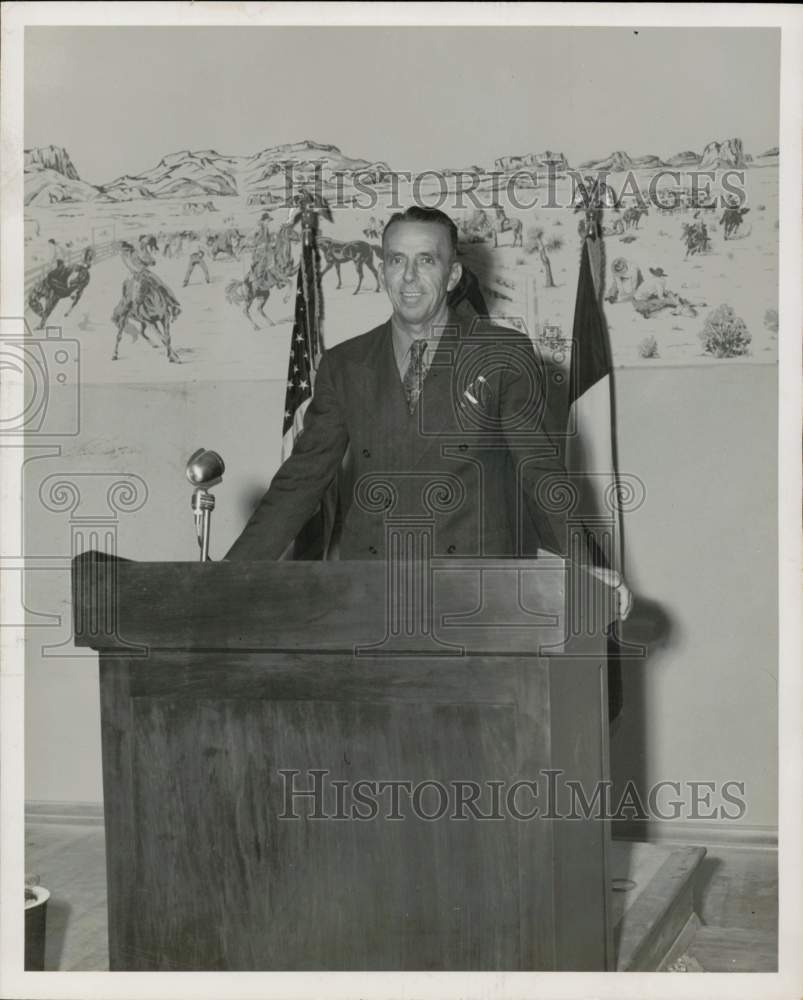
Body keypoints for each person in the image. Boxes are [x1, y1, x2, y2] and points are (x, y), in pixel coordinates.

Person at [225, 206, 631, 620]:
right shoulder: (344, 364)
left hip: (478, 596)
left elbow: (539, 472)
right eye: (396, 260)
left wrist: (584, 564)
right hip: (372, 595)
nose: (409, 277)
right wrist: (227, 576)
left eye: (426, 260)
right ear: (382, 269)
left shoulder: (503, 355)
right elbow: (301, 480)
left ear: (452, 275)